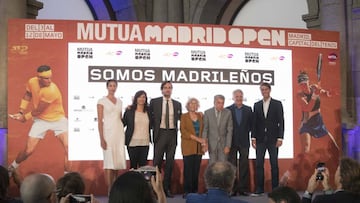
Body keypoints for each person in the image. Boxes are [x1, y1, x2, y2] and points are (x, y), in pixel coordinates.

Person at [8, 65, 70, 173]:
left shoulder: (51, 90)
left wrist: (24, 118)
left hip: (58, 119)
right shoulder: (32, 82)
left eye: (50, 77)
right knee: (28, 151)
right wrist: (21, 111)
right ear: (39, 78)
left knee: (70, 149)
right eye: (46, 78)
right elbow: (28, 94)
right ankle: (12, 168)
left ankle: (66, 179)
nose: (50, 80)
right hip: (41, 120)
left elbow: (38, 110)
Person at [149, 81, 182, 198]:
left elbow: (181, 118)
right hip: (160, 133)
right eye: (165, 88)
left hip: (172, 134)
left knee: (169, 163)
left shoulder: (178, 104)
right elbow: (147, 116)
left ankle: (166, 188)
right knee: (156, 163)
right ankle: (154, 189)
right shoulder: (154, 102)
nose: (168, 90)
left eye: (170, 88)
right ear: (162, 90)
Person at [251, 82, 284, 196]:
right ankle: (259, 188)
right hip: (260, 139)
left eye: (265, 89)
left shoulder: (277, 104)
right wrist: (253, 137)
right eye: (262, 89)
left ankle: (275, 188)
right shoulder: (257, 105)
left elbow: (281, 121)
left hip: (273, 139)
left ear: (269, 90)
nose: (264, 91)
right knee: (259, 164)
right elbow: (254, 123)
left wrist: (280, 138)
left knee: (274, 164)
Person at [296, 71, 339, 153]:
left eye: (305, 83)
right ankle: (303, 165)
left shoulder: (314, 87)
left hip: (318, 122)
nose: (303, 86)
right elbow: (308, 108)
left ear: (308, 82)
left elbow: (324, 94)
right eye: (301, 84)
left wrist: (329, 93)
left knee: (334, 149)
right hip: (306, 124)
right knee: (305, 150)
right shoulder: (299, 95)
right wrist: (315, 95)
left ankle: (340, 165)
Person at [97, 79, 126, 193]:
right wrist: (101, 139)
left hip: (119, 133)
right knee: (109, 163)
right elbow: (100, 121)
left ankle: (115, 188)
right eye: (110, 86)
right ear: (107, 87)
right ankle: (110, 190)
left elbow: (120, 118)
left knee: (117, 163)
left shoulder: (119, 101)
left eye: (114, 86)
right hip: (108, 133)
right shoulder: (101, 101)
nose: (112, 88)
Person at [226, 89, 252, 196]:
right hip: (231, 142)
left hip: (244, 141)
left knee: (244, 165)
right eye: (237, 96)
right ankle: (233, 188)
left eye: (240, 96)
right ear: (233, 98)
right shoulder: (228, 110)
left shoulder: (248, 109)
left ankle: (243, 189)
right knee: (232, 166)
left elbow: (252, 125)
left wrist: (253, 137)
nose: (239, 98)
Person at [180, 98, 205, 197]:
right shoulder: (184, 116)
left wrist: (203, 143)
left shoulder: (200, 116)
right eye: (191, 103)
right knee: (188, 170)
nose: (193, 105)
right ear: (188, 105)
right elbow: (184, 131)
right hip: (188, 146)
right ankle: (187, 191)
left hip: (199, 148)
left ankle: (194, 191)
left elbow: (204, 130)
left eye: (195, 104)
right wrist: (198, 139)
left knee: (196, 170)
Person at [122, 90, 151, 169]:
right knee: (133, 166)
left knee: (143, 167)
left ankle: (141, 181)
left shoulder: (149, 111)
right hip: (132, 142)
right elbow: (122, 124)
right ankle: (132, 181)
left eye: (143, 97)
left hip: (145, 142)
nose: (142, 99)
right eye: (139, 97)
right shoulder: (129, 111)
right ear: (136, 98)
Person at [202, 94, 233, 164]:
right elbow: (205, 129)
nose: (221, 105)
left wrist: (228, 145)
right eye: (219, 103)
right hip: (211, 144)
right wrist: (204, 144)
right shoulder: (207, 113)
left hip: (223, 145)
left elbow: (229, 130)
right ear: (214, 102)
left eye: (222, 103)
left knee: (223, 166)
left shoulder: (228, 113)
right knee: (212, 166)